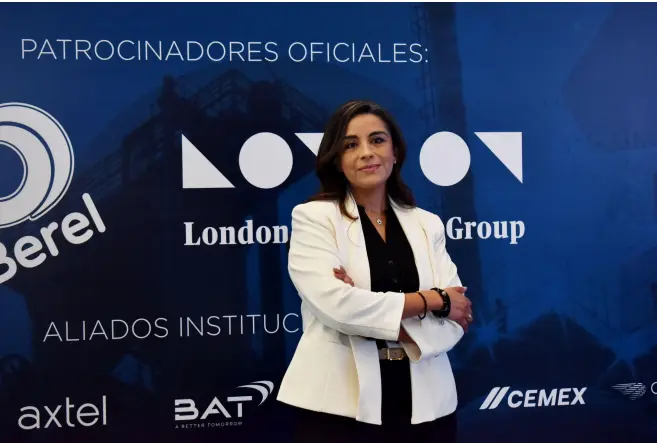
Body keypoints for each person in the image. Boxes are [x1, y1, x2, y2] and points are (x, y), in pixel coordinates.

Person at [277, 99, 473, 443]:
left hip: (427, 404)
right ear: (337, 160)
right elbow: (338, 306)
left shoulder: (427, 224)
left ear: (395, 152)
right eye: (351, 144)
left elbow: (457, 314)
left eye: (377, 140)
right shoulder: (314, 218)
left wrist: (372, 313)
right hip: (337, 409)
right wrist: (431, 300)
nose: (366, 152)